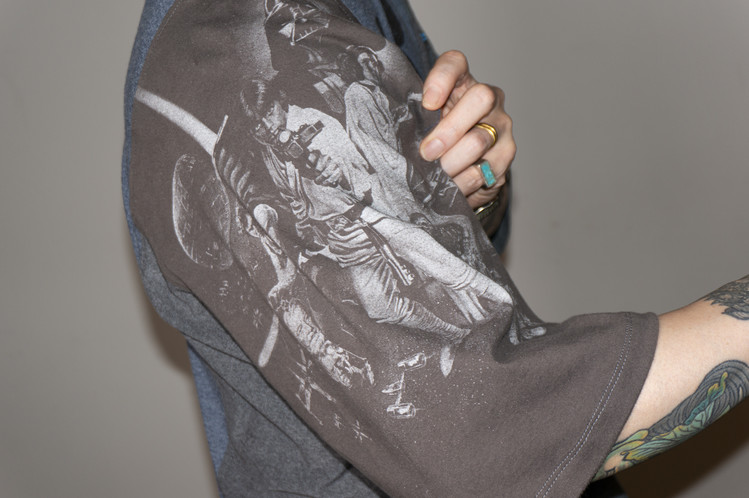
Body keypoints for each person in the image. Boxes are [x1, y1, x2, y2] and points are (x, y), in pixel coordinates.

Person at [122, 1, 748, 497]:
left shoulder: (352, 13)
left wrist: (475, 181)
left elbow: (463, 254)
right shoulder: (231, 52)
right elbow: (488, 438)